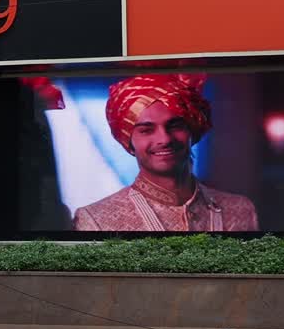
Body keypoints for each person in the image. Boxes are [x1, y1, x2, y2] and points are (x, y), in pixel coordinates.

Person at [73, 74, 259, 232]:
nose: (165, 139)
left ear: (192, 130)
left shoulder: (240, 209)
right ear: (128, 141)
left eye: (175, 126)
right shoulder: (95, 220)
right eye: (146, 130)